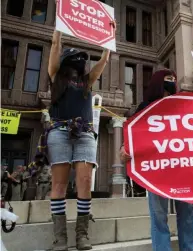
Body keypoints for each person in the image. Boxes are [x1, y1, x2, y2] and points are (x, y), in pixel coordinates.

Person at [30, 22, 115, 251]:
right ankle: (60, 238)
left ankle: (82, 234)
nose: (79, 61)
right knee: (58, 184)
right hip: (59, 131)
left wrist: (108, 41)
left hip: (85, 133)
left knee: (85, 182)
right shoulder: (56, 75)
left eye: (82, 59)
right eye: (75, 57)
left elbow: (103, 62)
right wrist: (58, 25)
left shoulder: (86, 81)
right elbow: (56, 44)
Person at [120, 69, 193, 251]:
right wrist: (124, 149)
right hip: (157, 172)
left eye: (174, 79)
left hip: (182, 168)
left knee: (187, 214)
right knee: (159, 216)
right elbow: (133, 133)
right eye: (167, 78)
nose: (171, 82)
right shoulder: (144, 107)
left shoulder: (183, 104)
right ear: (157, 82)